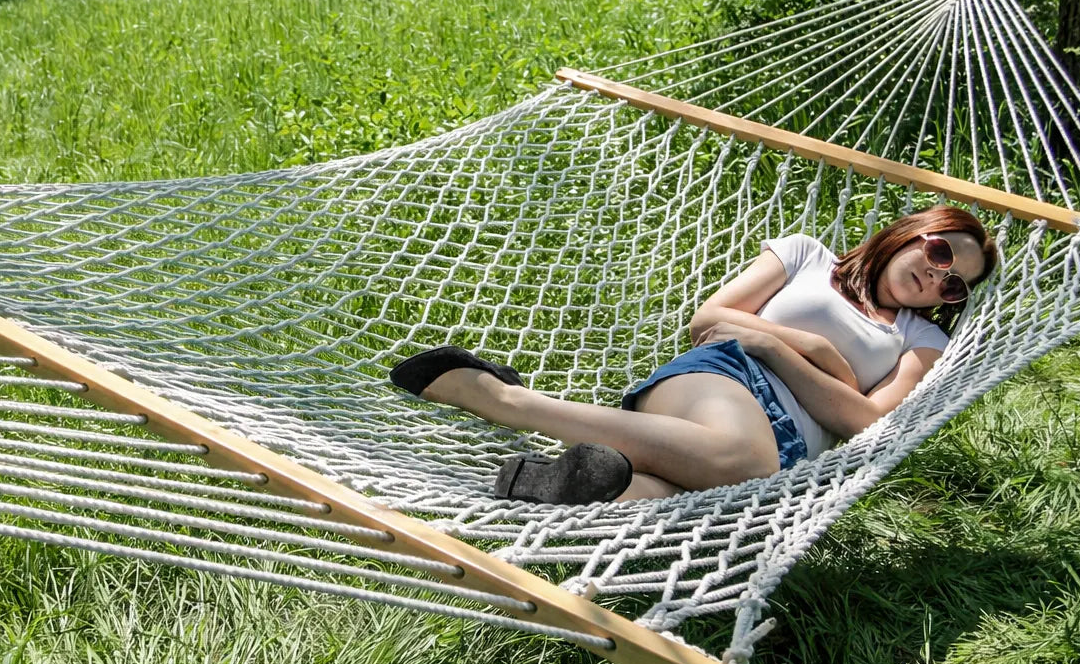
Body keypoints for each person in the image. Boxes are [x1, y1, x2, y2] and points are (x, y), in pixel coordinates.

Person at [389, 206, 999, 504]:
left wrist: (777, 345)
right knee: (741, 461)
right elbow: (707, 322)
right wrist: (806, 352)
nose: (937, 280)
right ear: (915, 231)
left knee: (675, 501)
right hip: (721, 379)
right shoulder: (807, 255)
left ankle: (567, 483)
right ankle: (505, 399)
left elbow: (869, 422)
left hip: (788, 452)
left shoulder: (923, 339)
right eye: (941, 254)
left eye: (955, 285)